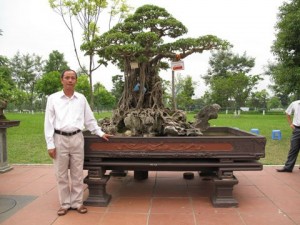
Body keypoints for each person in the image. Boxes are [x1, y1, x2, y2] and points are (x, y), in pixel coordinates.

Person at [44, 69, 112, 216]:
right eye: (67, 78)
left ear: (76, 81)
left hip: (77, 138)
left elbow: (89, 119)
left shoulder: (81, 99)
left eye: (73, 78)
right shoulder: (53, 98)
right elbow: (48, 123)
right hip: (59, 138)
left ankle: (77, 202)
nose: (70, 80)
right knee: (61, 174)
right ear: (61, 80)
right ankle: (65, 204)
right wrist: (50, 144)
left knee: (77, 172)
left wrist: (99, 132)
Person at [277, 100, 300, 173]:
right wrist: (290, 124)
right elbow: (287, 112)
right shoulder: (295, 103)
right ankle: (288, 167)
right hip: (297, 129)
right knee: (293, 148)